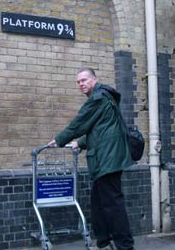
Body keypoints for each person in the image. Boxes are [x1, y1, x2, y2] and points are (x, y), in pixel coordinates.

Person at [48, 67, 135, 250]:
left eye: (84, 80)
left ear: (94, 80)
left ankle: (125, 246)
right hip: (105, 158)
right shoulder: (105, 98)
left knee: (113, 204)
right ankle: (104, 243)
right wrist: (80, 143)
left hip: (107, 160)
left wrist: (59, 140)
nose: (81, 84)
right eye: (78, 82)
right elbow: (100, 128)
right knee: (98, 203)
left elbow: (80, 122)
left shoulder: (98, 98)